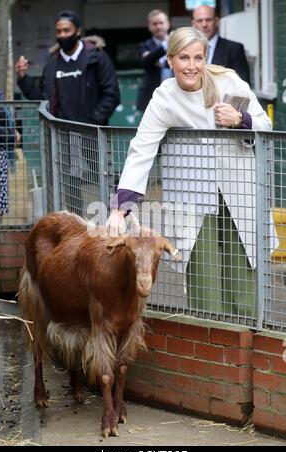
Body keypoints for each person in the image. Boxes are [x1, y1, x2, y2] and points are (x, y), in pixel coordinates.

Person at [107, 27, 272, 316]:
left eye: (198, 57)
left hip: (238, 188)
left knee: (243, 268)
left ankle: (246, 341)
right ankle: (211, 341)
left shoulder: (228, 84)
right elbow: (141, 150)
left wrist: (240, 119)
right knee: (202, 273)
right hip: (193, 196)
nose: (192, 66)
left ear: (206, 57)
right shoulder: (164, 98)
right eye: (184, 58)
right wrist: (119, 209)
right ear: (170, 60)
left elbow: (264, 126)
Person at [15, 10, 120, 216]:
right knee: (70, 185)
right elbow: (42, 98)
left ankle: (114, 222)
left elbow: (112, 94)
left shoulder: (96, 57)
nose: (62, 35)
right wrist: (22, 78)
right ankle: (76, 226)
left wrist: (93, 121)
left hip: (93, 130)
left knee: (104, 178)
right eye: (59, 31)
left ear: (78, 31)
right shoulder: (53, 62)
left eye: (67, 30)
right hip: (63, 135)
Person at [192, 5, 250, 84]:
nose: (204, 24)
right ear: (193, 24)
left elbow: (243, 85)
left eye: (208, 20)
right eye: (200, 21)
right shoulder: (187, 50)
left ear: (216, 21)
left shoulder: (234, 49)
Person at [136, 9, 172, 112]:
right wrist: (165, 45)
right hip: (151, 97)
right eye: (155, 24)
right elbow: (146, 61)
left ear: (168, 24)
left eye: (161, 23)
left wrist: (158, 61)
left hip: (175, 94)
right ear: (149, 26)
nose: (158, 26)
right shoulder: (144, 46)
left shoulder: (178, 44)